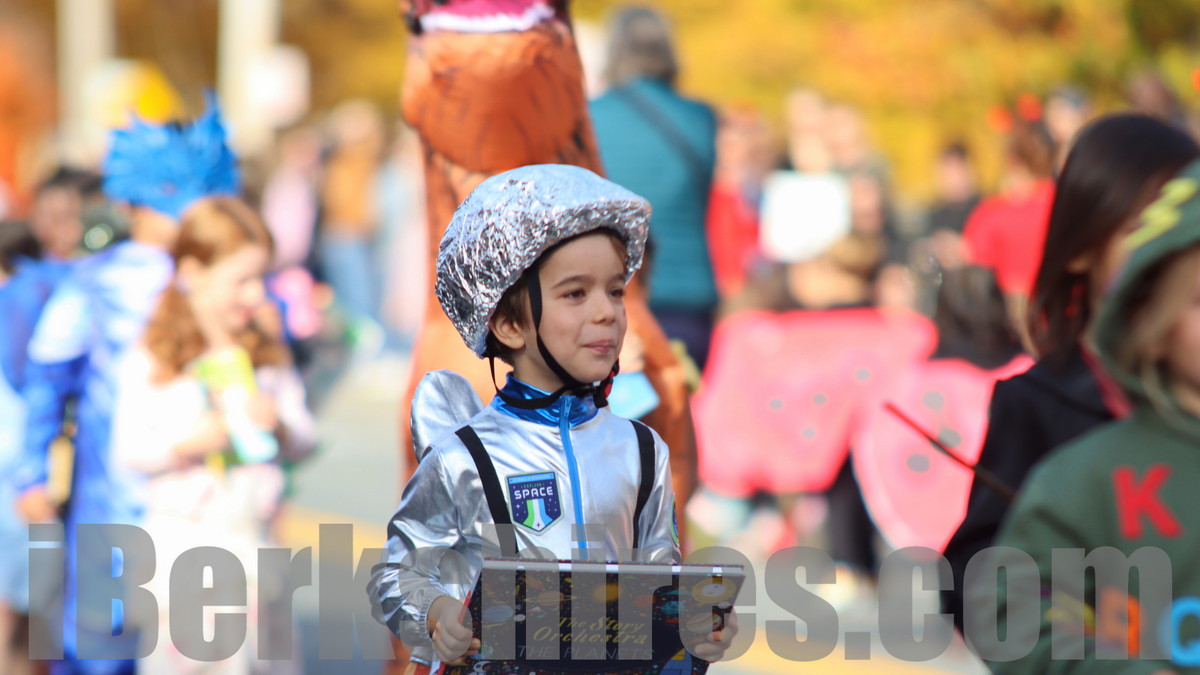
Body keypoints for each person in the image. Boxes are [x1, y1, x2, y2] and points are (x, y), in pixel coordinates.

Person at [368, 164, 734, 671]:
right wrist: (436, 613)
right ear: (509, 325)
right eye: (576, 293)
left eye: (615, 290)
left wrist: (691, 625)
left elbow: (658, 569)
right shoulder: (464, 456)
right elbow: (398, 574)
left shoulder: (644, 449)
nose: (606, 312)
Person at [942, 114, 1200, 632]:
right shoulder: (1038, 402)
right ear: (1081, 249)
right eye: (1144, 231)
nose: (1165, 254)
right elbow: (975, 582)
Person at [12, 98, 241, 674]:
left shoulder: (226, 285)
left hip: (199, 501)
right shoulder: (95, 283)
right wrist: (31, 473)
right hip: (110, 499)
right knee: (98, 640)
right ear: (131, 203)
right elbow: (46, 383)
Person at [111, 196, 315, 673]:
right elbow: (127, 448)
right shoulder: (157, 356)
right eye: (241, 280)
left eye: (261, 278)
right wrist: (186, 444)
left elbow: (304, 436)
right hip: (185, 555)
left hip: (254, 550)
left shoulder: (264, 353)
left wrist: (280, 425)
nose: (255, 294)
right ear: (193, 273)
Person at [590, 6, 720, 371]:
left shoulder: (588, 117)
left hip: (613, 295)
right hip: (690, 297)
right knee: (680, 398)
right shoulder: (701, 118)